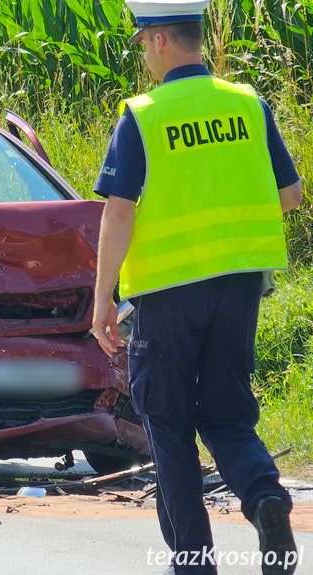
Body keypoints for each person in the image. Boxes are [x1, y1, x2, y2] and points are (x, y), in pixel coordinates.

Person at [92, 1, 304, 574]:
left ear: (159, 40)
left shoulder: (144, 115)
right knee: (228, 414)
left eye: (143, 44)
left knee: (168, 421)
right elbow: (291, 195)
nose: (144, 56)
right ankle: (264, 499)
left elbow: (117, 214)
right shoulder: (248, 105)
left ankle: (193, 562)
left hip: (167, 293)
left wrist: (102, 302)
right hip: (239, 287)